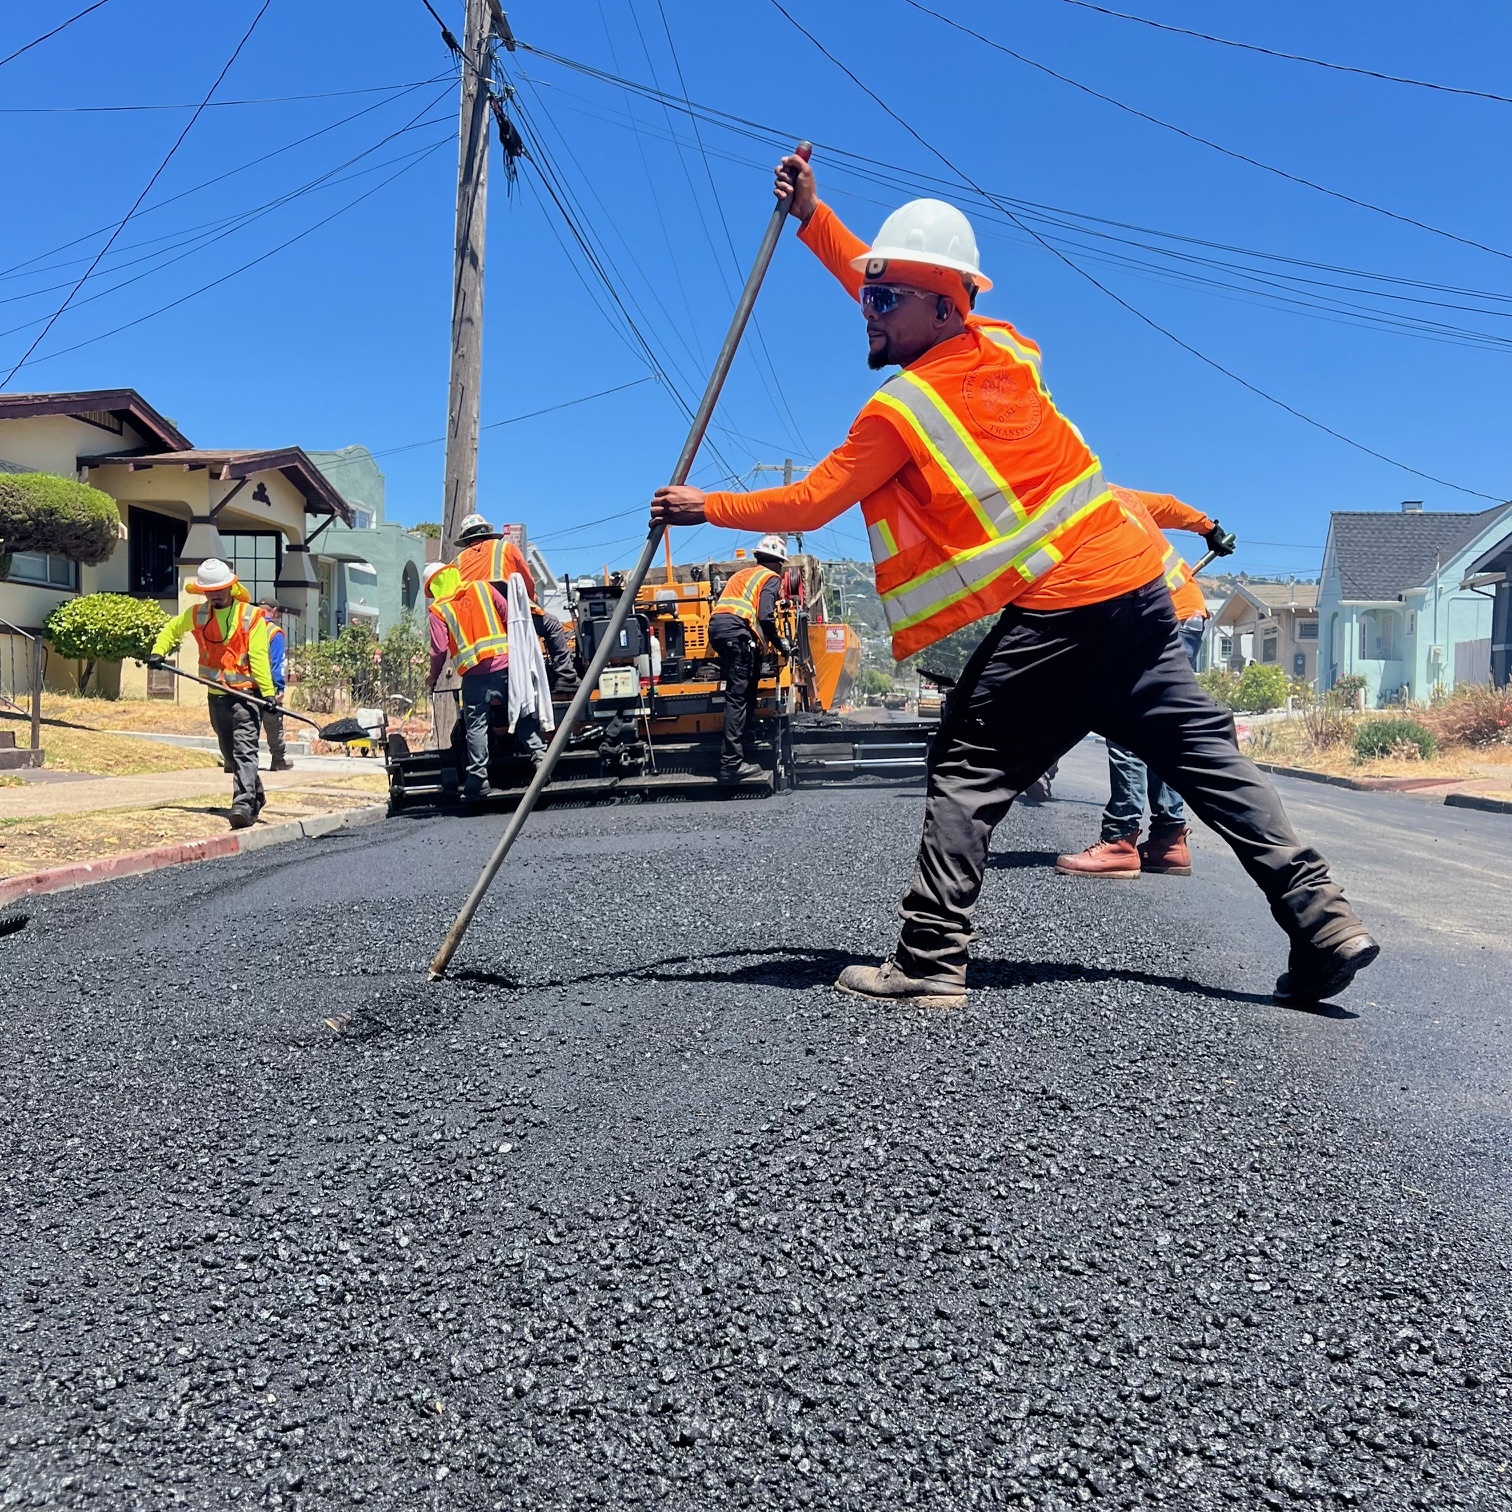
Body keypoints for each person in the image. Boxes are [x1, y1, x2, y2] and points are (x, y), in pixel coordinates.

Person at [652, 153, 1378, 1007]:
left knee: (967, 764)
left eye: (885, 301)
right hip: (1140, 593)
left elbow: (814, 502)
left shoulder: (903, 410)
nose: (867, 310)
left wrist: (707, 506)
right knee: (1210, 761)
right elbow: (881, 271)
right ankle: (1322, 920)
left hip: (1064, 609)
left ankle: (928, 960)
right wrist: (816, 217)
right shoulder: (1001, 347)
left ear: (938, 305)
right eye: (867, 295)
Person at [1056, 488, 1235, 877]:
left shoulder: (1072, 511)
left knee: (1125, 722)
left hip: (1152, 616)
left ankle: (1120, 839)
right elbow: (1171, 505)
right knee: (1161, 728)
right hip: (1186, 611)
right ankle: (1169, 839)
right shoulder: (1114, 492)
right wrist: (1210, 528)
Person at [148, 558, 275, 830]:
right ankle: (255, 794)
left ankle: (242, 805)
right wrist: (159, 652)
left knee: (245, 751)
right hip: (216, 695)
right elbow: (172, 628)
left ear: (231, 586)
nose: (215, 594)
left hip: (245, 696)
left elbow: (259, 656)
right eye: (210, 590)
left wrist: (268, 694)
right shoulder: (197, 615)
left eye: (220, 588)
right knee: (229, 752)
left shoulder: (250, 616)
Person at [425, 562, 545, 801]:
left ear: (434, 586)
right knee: (522, 711)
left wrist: (433, 677)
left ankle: (478, 780)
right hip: (505, 665)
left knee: (476, 727)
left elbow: (439, 649)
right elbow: (510, 616)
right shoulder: (482, 588)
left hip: (474, 675)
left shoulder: (438, 610)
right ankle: (541, 760)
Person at [453, 513, 575, 690]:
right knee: (553, 625)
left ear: (465, 539)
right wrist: (533, 602)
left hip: (477, 631)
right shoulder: (506, 549)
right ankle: (566, 677)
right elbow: (528, 583)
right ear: (488, 532)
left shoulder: (456, 563)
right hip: (511, 618)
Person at [708, 535, 790, 785]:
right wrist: (782, 644)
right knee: (738, 697)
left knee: (748, 684)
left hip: (720, 630)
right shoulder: (770, 578)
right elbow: (765, 617)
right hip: (736, 632)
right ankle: (731, 765)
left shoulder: (742, 575)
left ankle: (745, 739)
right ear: (777, 563)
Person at [257, 598, 295, 772]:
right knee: (273, 724)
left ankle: (240, 761)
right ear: (274, 611)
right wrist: (279, 687)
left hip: (245, 684)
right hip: (268, 686)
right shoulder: (273, 631)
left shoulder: (247, 626)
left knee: (248, 725)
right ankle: (278, 759)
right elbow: (278, 662)